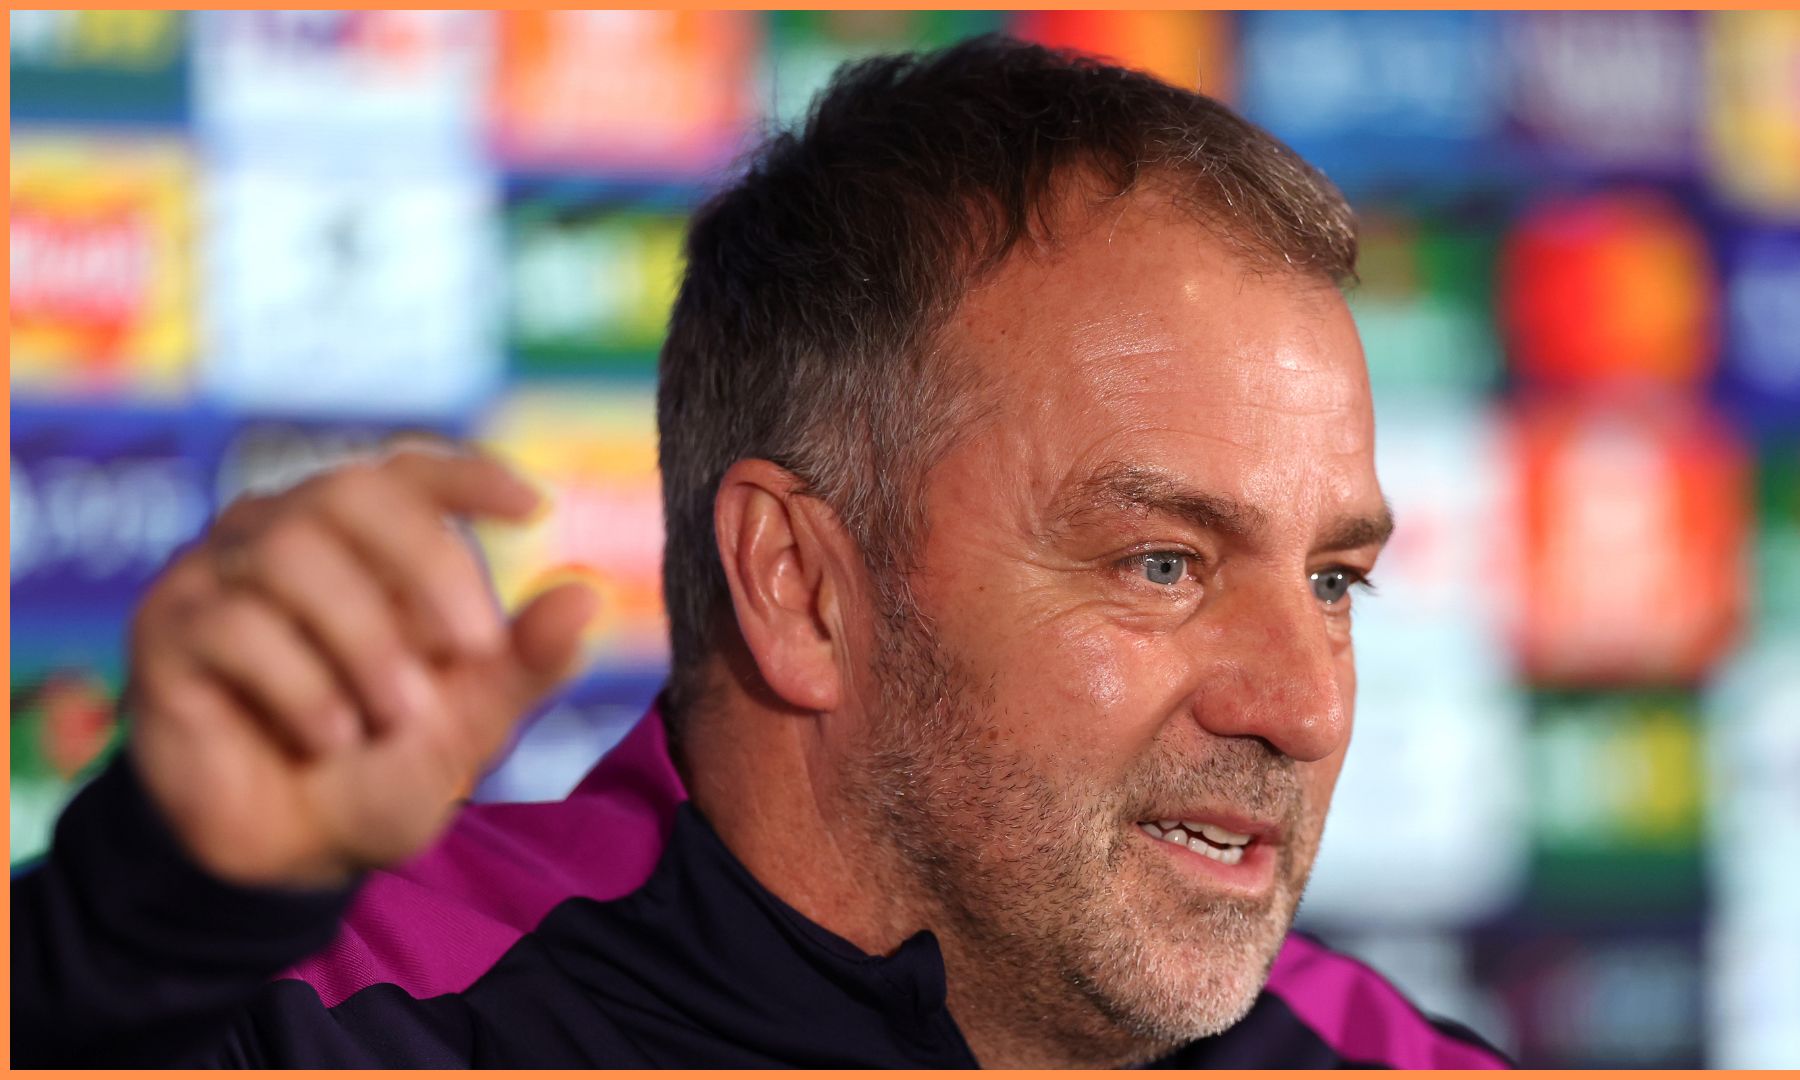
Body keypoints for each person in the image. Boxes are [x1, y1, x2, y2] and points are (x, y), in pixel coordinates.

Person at [12, 37, 1510, 1068]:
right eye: (1163, 564)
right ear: (801, 588)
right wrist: (147, 916)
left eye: (1333, 581)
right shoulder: (337, 1016)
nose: (1305, 709)